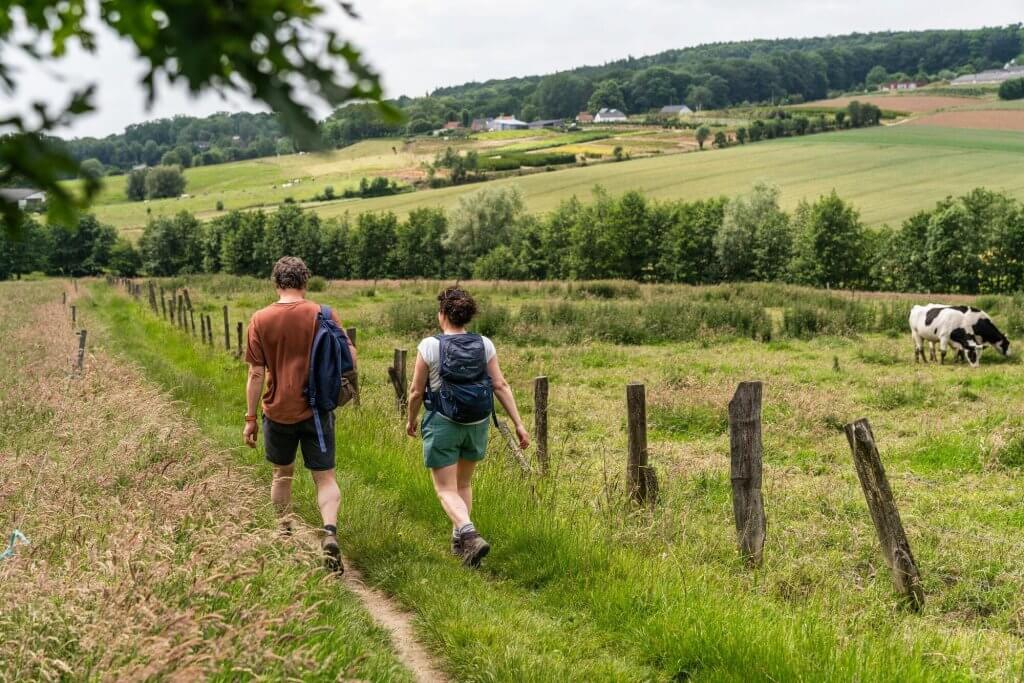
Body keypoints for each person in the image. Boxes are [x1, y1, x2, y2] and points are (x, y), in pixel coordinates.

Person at [243, 256, 356, 572]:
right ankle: (330, 532)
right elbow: (350, 357)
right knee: (325, 477)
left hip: (277, 410)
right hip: (317, 408)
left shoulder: (260, 319)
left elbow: (255, 373)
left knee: (282, 474)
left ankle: (283, 533)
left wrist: (251, 419)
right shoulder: (323, 314)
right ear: (305, 283)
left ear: (276, 283)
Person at [406, 287, 529, 567]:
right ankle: (461, 546)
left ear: (443, 314)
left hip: (443, 422)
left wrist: (411, 420)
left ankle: (469, 535)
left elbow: (415, 391)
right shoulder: (484, 343)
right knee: (463, 484)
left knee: (445, 489)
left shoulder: (429, 346)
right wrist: (519, 424)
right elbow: (500, 385)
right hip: (478, 423)